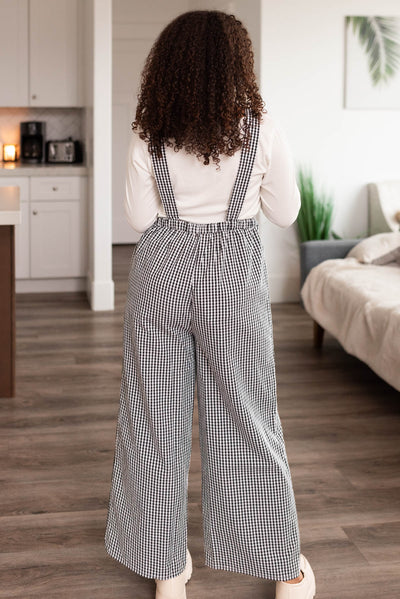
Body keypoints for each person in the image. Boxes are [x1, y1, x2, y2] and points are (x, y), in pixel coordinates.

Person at [105, 9, 316, 599]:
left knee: (156, 420)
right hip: (234, 278)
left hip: (163, 272)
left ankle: (167, 568)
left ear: (166, 67)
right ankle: (285, 570)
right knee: (246, 416)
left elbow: (140, 217)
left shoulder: (151, 126)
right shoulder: (261, 124)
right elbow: (286, 211)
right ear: (238, 64)